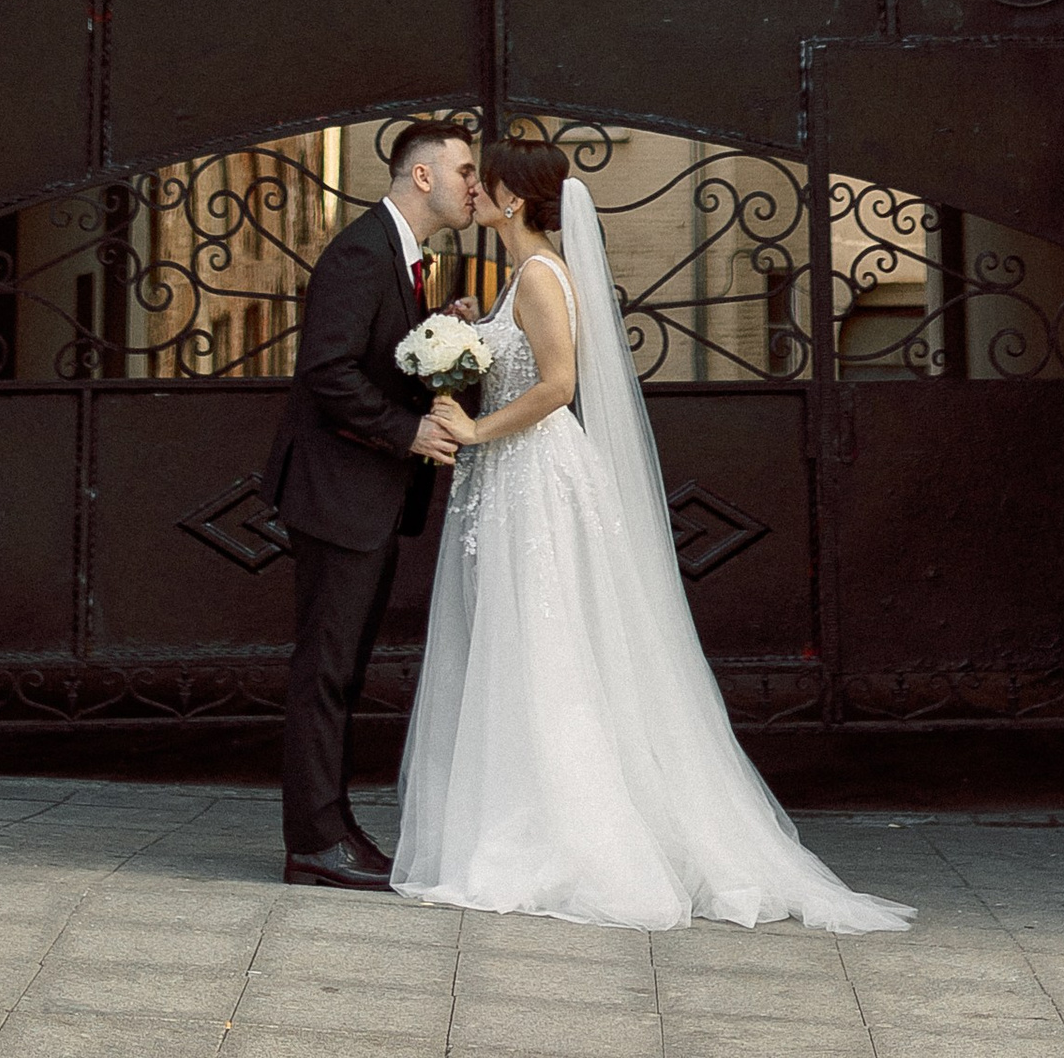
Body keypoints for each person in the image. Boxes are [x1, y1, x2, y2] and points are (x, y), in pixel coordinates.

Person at [390, 136, 911, 932]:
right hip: (516, 477)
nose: (473, 192)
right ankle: (529, 814)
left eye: (481, 181)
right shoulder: (518, 278)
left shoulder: (536, 273)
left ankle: (561, 837)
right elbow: (527, 358)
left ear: (514, 199)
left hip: (534, 476)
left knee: (544, 642)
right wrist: (471, 332)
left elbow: (560, 385)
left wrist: (479, 429)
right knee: (527, 640)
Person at [262, 116, 479, 891]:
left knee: (342, 670)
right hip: (337, 494)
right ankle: (315, 842)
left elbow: (376, 356)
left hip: (366, 498)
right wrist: (409, 431)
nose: (473, 185)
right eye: (463, 171)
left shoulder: (403, 257)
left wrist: (439, 335)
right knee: (325, 670)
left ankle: (331, 826)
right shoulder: (360, 250)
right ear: (421, 176)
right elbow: (327, 371)